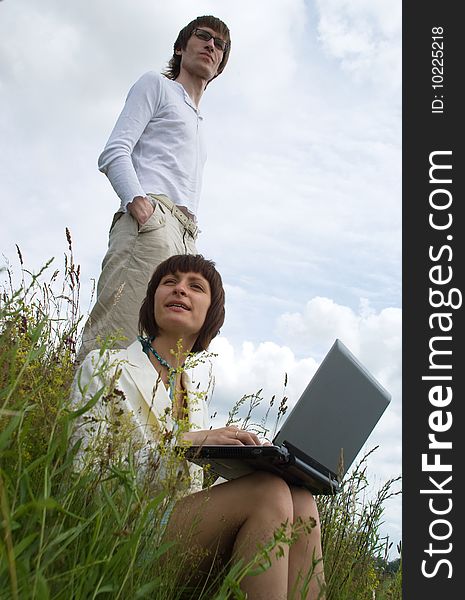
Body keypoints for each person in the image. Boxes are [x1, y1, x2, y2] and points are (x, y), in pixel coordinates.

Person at [71, 254, 326, 599]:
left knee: (300, 498)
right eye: (169, 282)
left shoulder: (194, 395)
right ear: (153, 300)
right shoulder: (106, 367)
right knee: (268, 493)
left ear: (211, 313)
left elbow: (189, 491)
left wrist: (253, 462)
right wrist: (184, 441)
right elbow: (89, 476)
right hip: (124, 533)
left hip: (182, 531)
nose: (180, 290)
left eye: (195, 286)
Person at [77, 15, 231, 362]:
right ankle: (83, 415)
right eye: (203, 37)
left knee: (159, 353)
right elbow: (115, 151)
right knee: (116, 337)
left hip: (185, 235)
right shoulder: (157, 86)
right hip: (153, 222)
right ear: (180, 47)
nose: (211, 45)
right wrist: (140, 206)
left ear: (220, 64)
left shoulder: (197, 120)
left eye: (219, 44)